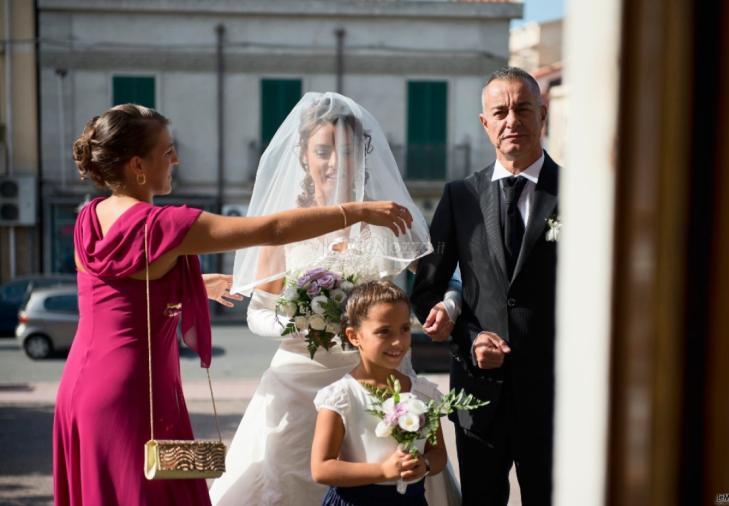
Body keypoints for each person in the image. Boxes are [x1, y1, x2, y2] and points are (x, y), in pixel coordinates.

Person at [53, 103, 412, 506]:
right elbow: (271, 229)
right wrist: (356, 210)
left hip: (81, 384)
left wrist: (192, 283)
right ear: (138, 165)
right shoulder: (163, 225)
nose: (177, 159)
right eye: (167, 151)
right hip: (133, 388)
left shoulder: (90, 217)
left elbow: (122, 288)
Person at [210, 92, 459, 506]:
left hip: (381, 382)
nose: (333, 162)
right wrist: (298, 322)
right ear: (305, 157)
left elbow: (446, 277)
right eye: (322, 151)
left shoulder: (392, 217)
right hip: (299, 383)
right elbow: (258, 312)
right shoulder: (285, 223)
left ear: (361, 155)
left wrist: (446, 305)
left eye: (345, 151)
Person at [411, 67, 560, 505]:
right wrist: (469, 337)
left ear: (542, 115)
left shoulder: (580, 192)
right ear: (485, 123)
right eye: (500, 111)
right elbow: (427, 290)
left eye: (523, 109)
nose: (512, 120)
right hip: (479, 396)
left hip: (554, 395)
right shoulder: (460, 196)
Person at [311, 280, 447, 506]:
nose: (398, 341)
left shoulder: (423, 393)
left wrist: (425, 464)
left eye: (405, 329)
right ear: (354, 336)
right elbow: (321, 468)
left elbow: (438, 453)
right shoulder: (341, 396)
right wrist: (382, 471)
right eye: (384, 332)